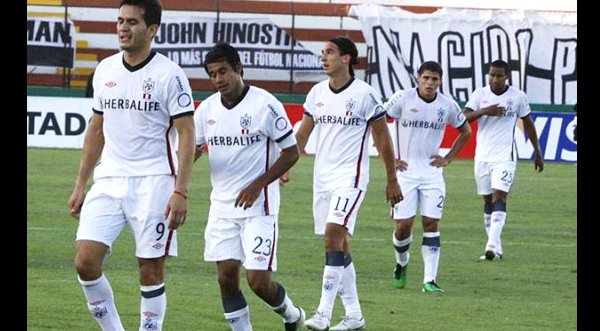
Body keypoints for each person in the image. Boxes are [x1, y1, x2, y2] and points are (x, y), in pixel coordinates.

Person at [67, 1, 196, 330]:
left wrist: (180, 190)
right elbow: (96, 128)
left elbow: (186, 133)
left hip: (154, 182)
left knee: (150, 270)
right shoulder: (106, 69)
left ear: (152, 30)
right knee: (85, 262)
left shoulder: (170, 75)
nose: (123, 28)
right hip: (109, 180)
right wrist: (81, 183)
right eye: (120, 21)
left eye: (133, 22)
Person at [193, 42, 305, 331]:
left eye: (223, 72)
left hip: (259, 207)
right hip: (221, 208)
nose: (218, 80)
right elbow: (193, 150)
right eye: (212, 74)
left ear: (238, 68)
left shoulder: (265, 105)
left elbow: (291, 152)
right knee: (226, 278)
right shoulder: (206, 110)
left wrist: (258, 184)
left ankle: (291, 313)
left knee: (258, 281)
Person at [294, 37, 403, 331]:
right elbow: (302, 136)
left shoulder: (366, 95)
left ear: (347, 58)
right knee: (339, 244)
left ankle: (323, 313)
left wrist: (392, 179)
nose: (323, 58)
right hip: (322, 179)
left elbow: (382, 138)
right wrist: (283, 168)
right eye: (322, 53)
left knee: (332, 237)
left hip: (350, 178)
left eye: (329, 52)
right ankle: (354, 315)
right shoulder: (316, 93)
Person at [384, 61, 472, 294]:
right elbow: (378, 124)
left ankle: (429, 280)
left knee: (431, 223)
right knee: (403, 226)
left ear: (440, 81)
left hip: (433, 174)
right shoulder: (402, 98)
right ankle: (401, 264)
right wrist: (391, 158)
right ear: (418, 79)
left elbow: (466, 131)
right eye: (426, 78)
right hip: (404, 174)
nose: (430, 83)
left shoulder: (447, 105)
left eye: (434, 79)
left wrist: (449, 157)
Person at [463, 59, 543, 261]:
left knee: (500, 196)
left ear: (507, 76)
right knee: (487, 200)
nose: (495, 79)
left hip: (504, 156)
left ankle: (490, 244)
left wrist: (538, 151)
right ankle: (496, 248)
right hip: (482, 156)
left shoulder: (517, 97)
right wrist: (485, 111)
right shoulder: (480, 94)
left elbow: (528, 123)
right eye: (492, 75)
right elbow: (464, 118)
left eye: (499, 75)